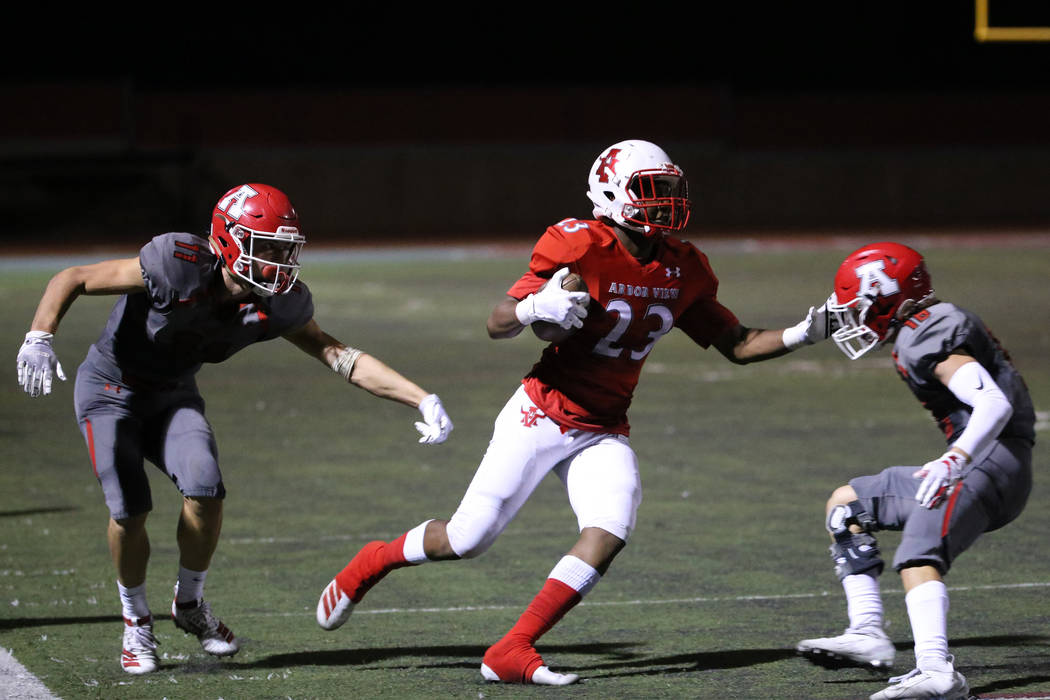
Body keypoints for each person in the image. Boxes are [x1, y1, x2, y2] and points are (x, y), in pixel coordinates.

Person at [314, 140, 832, 685]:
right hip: (540, 413)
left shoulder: (683, 266)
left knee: (610, 527)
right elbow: (499, 323)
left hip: (603, 427)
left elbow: (738, 343)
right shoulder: (578, 243)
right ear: (611, 194)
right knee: (468, 540)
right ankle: (374, 559)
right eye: (650, 192)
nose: (664, 204)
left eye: (669, 191)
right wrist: (535, 306)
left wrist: (807, 331)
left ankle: (511, 649)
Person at [15, 183, 454, 675]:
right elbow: (73, 277)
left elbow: (337, 354)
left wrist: (420, 395)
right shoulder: (176, 261)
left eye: (286, 249)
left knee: (205, 487)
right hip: (110, 392)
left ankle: (190, 603)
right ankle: (136, 620)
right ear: (227, 240)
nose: (280, 261)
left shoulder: (275, 302)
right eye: (266, 247)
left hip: (173, 394)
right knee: (130, 506)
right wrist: (39, 335)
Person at [795, 242, 1035, 700]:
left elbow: (992, 403)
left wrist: (954, 460)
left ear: (885, 295)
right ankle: (866, 631)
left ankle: (937, 670)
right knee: (845, 507)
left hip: (993, 459)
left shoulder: (926, 330)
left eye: (856, 306)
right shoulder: (923, 326)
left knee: (918, 553)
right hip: (987, 458)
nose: (852, 318)